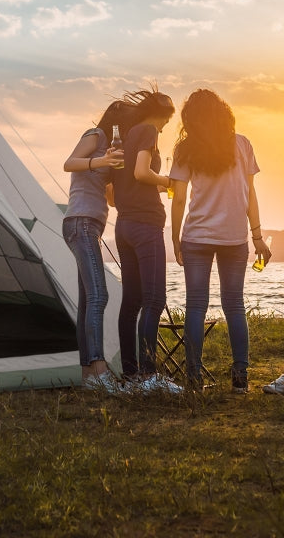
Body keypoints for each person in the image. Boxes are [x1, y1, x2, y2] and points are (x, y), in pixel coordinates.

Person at [169, 89, 271, 393]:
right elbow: (249, 193)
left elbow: (178, 200)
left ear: (191, 119)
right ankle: (240, 378)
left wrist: (175, 239)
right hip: (234, 236)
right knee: (234, 305)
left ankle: (193, 379)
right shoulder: (242, 144)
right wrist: (257, 235)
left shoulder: (185, 149)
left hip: (197, 235)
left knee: (196, 305)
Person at [112, 88, 182, 394]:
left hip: (124, 225)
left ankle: (130, 376)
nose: (166, 128)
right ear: (163, 115)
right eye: (168, 121)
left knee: (132, 303)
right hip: (144, 225)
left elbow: (123, 184)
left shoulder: (127, 135)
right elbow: (142, 173)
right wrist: (167, 181)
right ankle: (149, 376)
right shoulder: (149, 130)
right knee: (154, 299)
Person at [63, 100, 131, 393]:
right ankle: (99, 370)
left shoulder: (113, 149)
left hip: (90, 225)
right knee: (99, 296)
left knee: (88, 301)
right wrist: (102, 161)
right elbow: (69, 163)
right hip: (80, 222)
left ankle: (88, 376)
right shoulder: (96, 135)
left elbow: (112, 199)